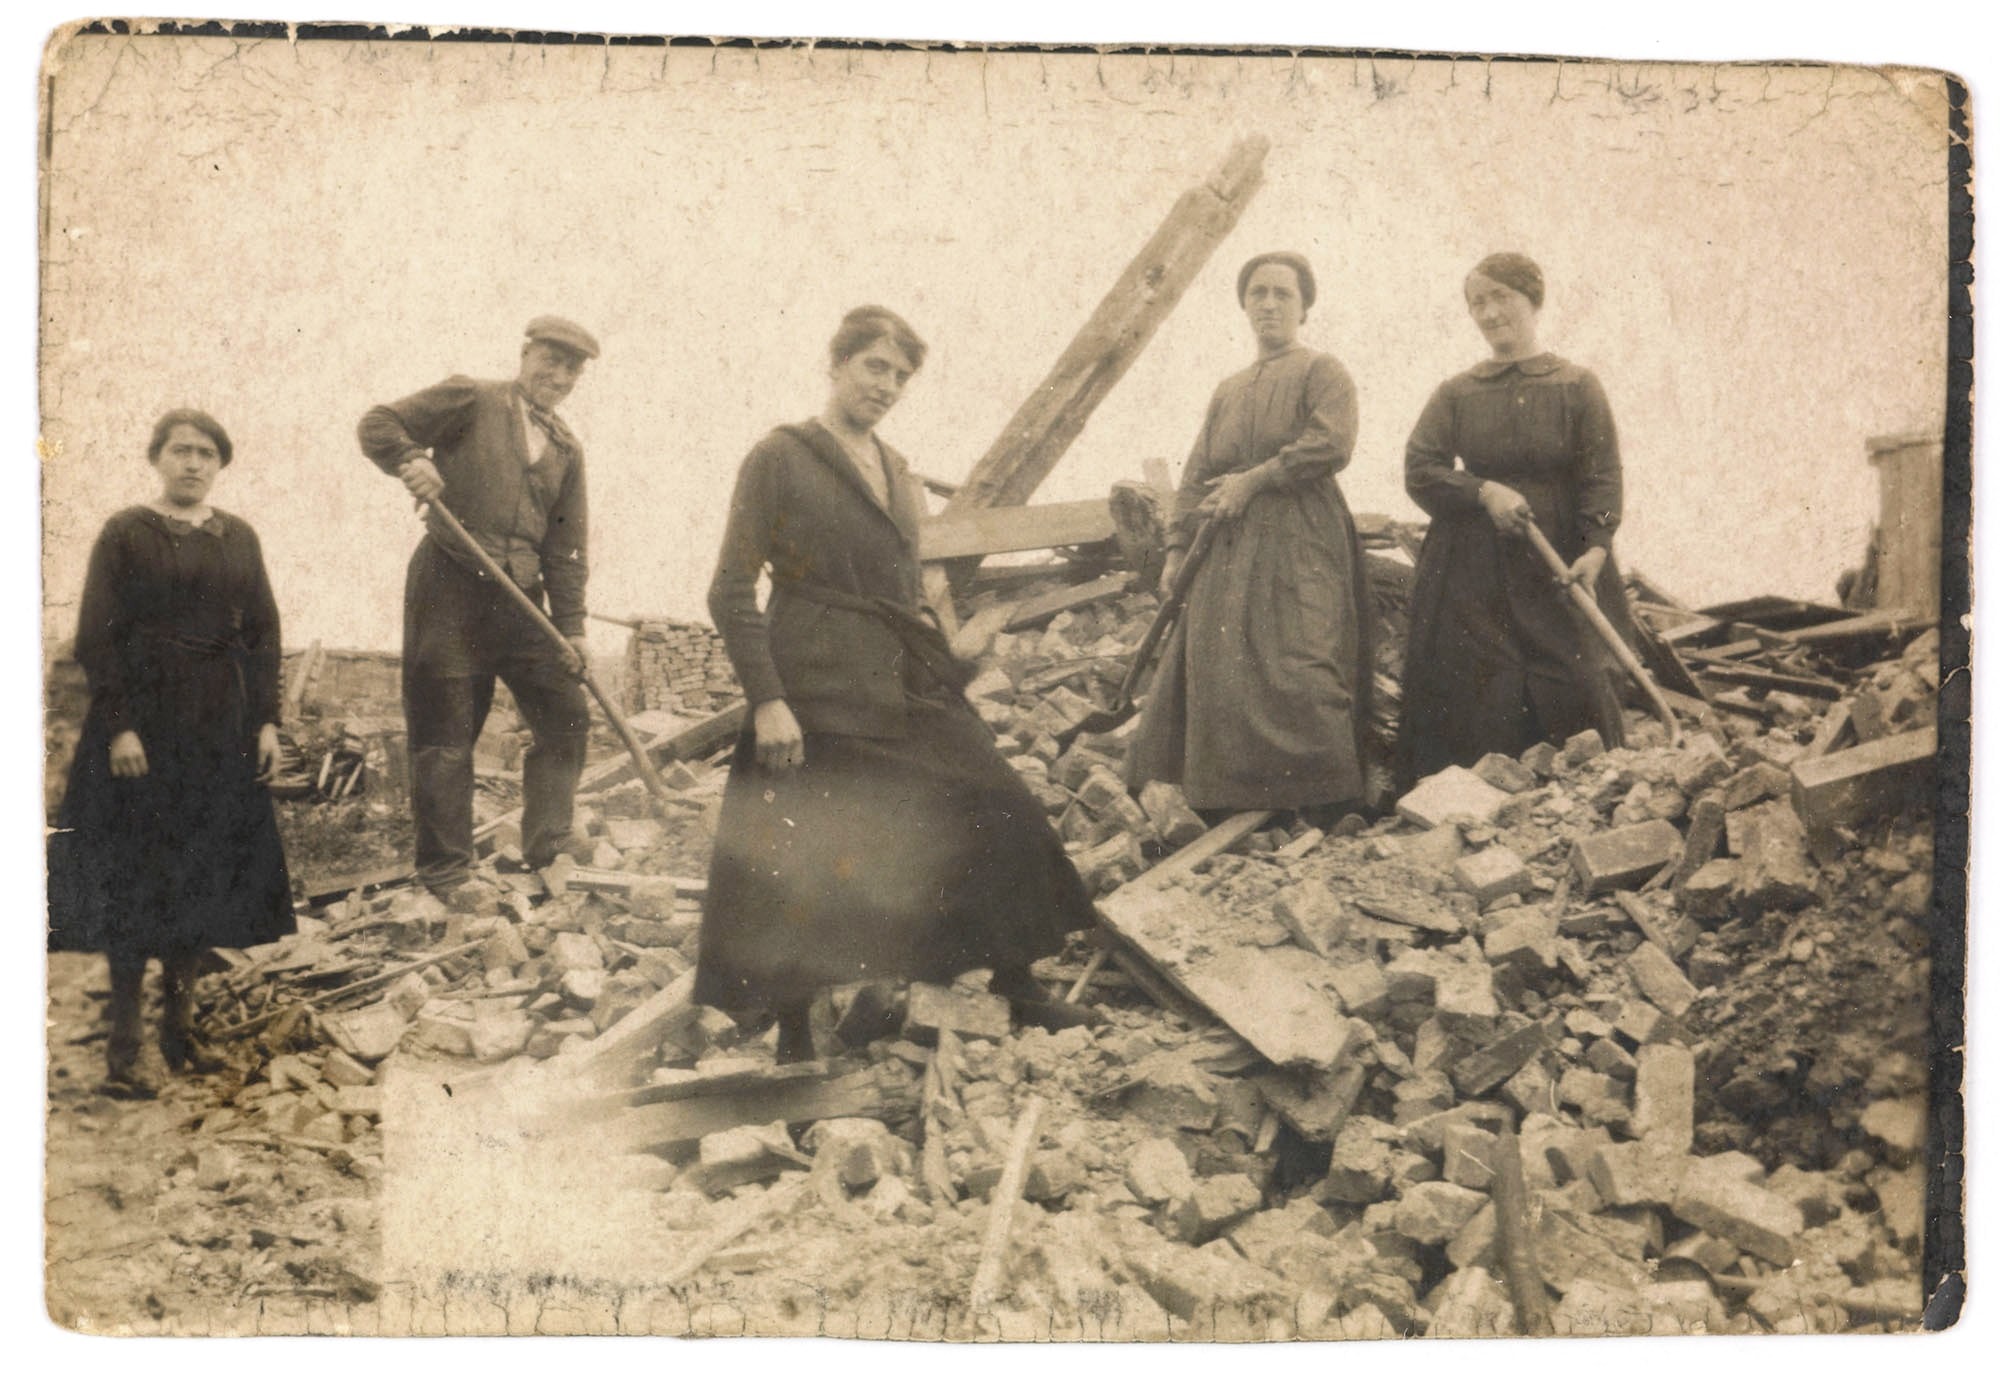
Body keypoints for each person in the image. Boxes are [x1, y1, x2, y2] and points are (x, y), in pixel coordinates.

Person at [698, 305, 1098, 1063]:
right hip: (814, 679)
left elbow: (909, 589)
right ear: (837, 363)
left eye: (901, 376)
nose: (886, 386)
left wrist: (953, 656)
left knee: (995, 797)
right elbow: (728, 589)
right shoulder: (780, 457)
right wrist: (769, 700)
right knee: (811, 848)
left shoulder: (898, 470)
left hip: (900, 672)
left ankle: (1017, 982)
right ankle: (793, 1038)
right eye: (874, 367)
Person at [48, 410, 295, 1096]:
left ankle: (179, 1038)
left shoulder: (238, 538)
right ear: (157, 458)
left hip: (218, 728)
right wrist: (121, 726)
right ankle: (125, 1055)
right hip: (140, 731)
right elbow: (97, 634)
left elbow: (266, 635)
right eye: (181, 451)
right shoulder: (127, 533)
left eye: (207, 453)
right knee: (135, 877)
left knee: (199, 877)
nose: (193, 463)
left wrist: (266, 724)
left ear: (221, 464)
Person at [357, 316, 599, 904]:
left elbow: (566, 548)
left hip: (522, 602)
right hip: (450, 582)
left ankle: (548, 841)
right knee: (446, 730)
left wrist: (572, 629)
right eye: (550, 358)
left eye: (571, 368)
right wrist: (410, 458)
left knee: (567, 712)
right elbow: (378, 422)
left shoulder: (566, 447)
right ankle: (447, 872)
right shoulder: (472, 397)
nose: (558, 374)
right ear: (525, 354)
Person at [1124, 250, 1373, 820]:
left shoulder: (1322, 371)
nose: (1268, 304)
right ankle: (1230, 802)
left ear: (1304, 307)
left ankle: (1328, 803)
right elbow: (1195, 474)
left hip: (1302, 537)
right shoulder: (1228, 389)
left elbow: (1333, 443)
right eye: (1257, 293)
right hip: (1227, 546)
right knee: (1221, 663)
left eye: (1282, 294)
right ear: (1243, 305)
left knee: (1304, 660)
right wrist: (1176, 549)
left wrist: (1256, 480)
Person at [1397, 251, 1634, 788]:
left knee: (1573, 682)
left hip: (1559, 561)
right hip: (1470, 569)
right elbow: (1420, 467)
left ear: (1533, 299)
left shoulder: (1577, 386)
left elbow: (1602, 473)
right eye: (1476, 302)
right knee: (1474, 687)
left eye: (1500, 296)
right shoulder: (1457, 392)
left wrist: (1595, 549)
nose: (1488, 313)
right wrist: (1482, 491)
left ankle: (1577, 801)